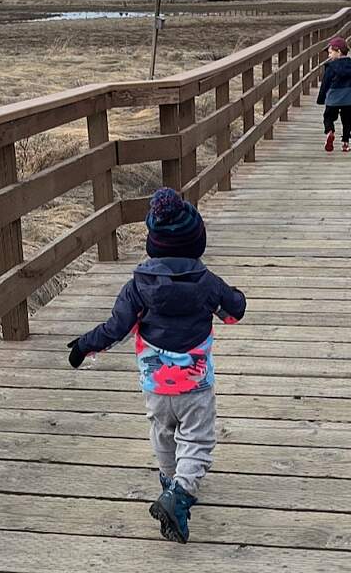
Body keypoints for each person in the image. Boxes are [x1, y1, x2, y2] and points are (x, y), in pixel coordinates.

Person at [66, 187, 247, 544]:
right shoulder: (206, 283)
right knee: (197, 438)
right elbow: (234, 310)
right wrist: (233, 298)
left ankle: (169, 479)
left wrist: (84, 345)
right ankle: (179, 494)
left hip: (155, 384)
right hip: (194, 384)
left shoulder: (137, 287)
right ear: (197, 243)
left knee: (162, 431)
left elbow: (114, 328)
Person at [316, 36, 351, 152]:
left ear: (338, 51)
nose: (329, 56)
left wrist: (321, 98)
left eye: (330, 53)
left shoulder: (331, 67)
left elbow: (325, 84)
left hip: (333, 98)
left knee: (328, 117)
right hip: (349, 99)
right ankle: (345, 143)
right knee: (347, 120)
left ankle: (330, 132)